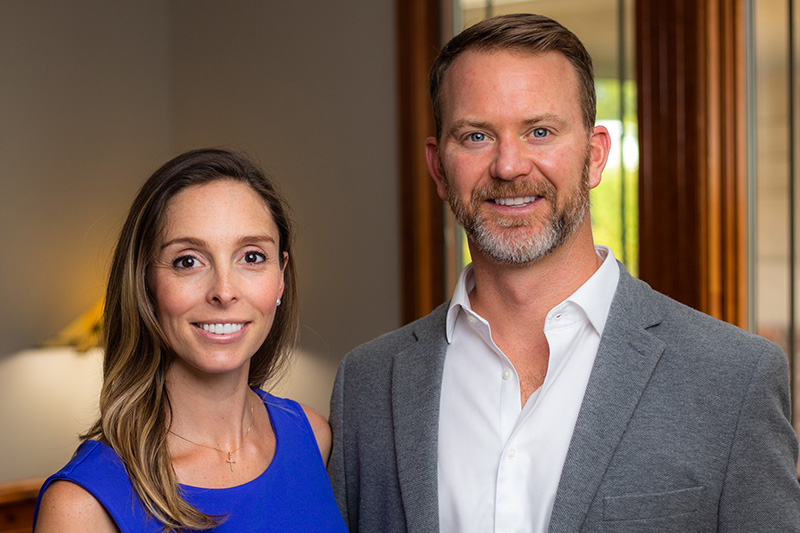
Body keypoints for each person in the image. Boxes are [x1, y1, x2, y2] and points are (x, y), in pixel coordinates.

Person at [329, 13, 800, 533]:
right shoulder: (367, 386)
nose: (509, 166)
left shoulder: (734, 380)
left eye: (539, 131)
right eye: (476, 136)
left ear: (594, 157)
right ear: (439, 168)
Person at [34, 148, 347, 532]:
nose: (224, 291)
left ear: (280, 277)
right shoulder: (81, 506)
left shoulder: (313, 437)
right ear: (146, 282)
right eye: (188, 261)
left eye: (251, 256)